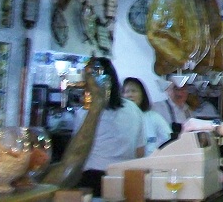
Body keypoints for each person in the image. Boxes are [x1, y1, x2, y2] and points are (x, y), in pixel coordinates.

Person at [73, 57, 145, 197]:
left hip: (93, 180)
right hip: (126, 178)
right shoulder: (133, 109)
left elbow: (77, 153)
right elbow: (140, 151)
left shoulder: (86, 113)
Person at [122, 77, 172, 156]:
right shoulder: (119, 120)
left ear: (142, 95)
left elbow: (169, 139)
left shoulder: (154, 117)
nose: (130, 95)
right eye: (126, 91)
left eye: (134, 91)